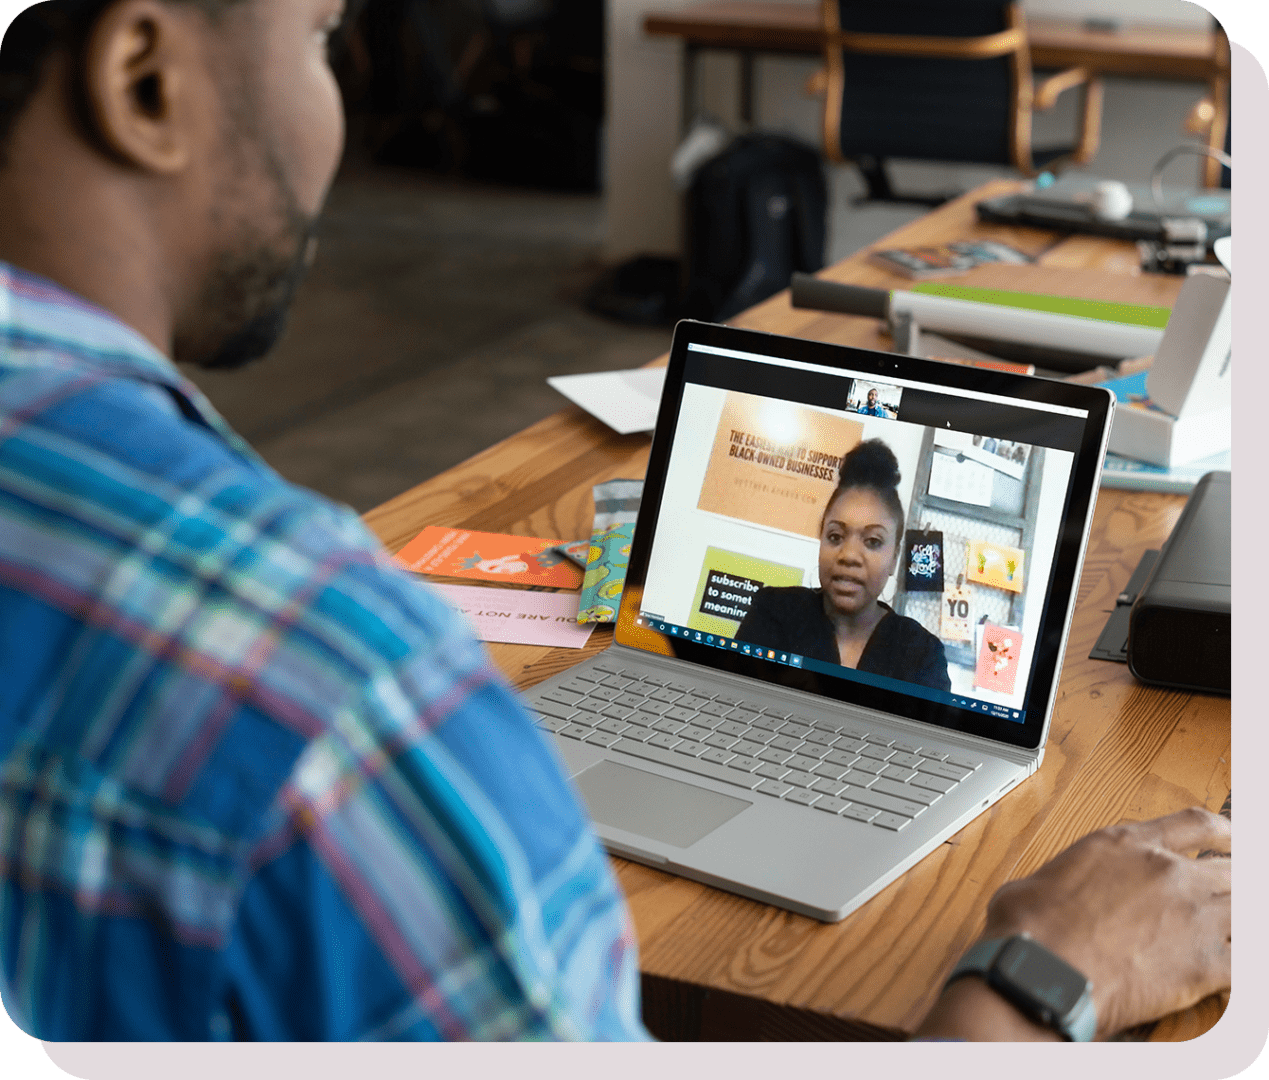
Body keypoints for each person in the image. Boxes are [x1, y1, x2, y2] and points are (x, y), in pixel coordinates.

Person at [0, 0, 1230, 1043]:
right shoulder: (329, 691)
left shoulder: (920, 657)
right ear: (143, 80)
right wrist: (1037, 975)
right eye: (324, 34)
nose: (847, 556)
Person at [737, 440, 950, 691]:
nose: (849, 555)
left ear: (894, 558)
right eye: (835, 537)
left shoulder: (922, 656)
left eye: (872, 541)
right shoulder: (774, 614)